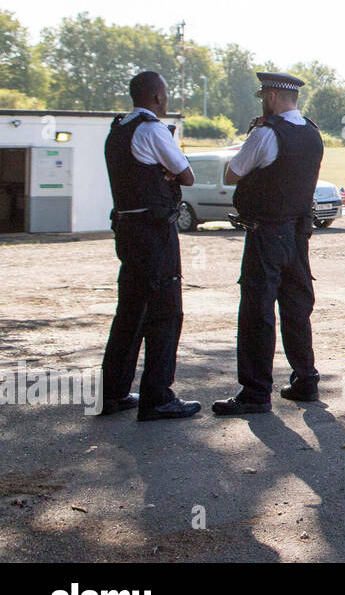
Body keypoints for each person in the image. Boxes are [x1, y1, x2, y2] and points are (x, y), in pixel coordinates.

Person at [211, 72, 324, 416]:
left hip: (267, 231)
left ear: (272, 97)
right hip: (298, 233)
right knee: (296, 308)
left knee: (258, 311)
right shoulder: (312, 133)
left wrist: (251, 135)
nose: (262, 102)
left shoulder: (265, 134)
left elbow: (232, 173)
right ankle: (305, 379)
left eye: (263, 97)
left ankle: (255, 392)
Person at [100, 71, 202, 421]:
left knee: (129, 311)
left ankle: (112, 392)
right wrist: (172, 171)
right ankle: (157, 396)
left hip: (126, 229)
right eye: (167, 94)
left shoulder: (118, 130)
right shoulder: (153, 128)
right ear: (158, 97)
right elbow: (186, 175)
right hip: (154, 230)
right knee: (165, 311)